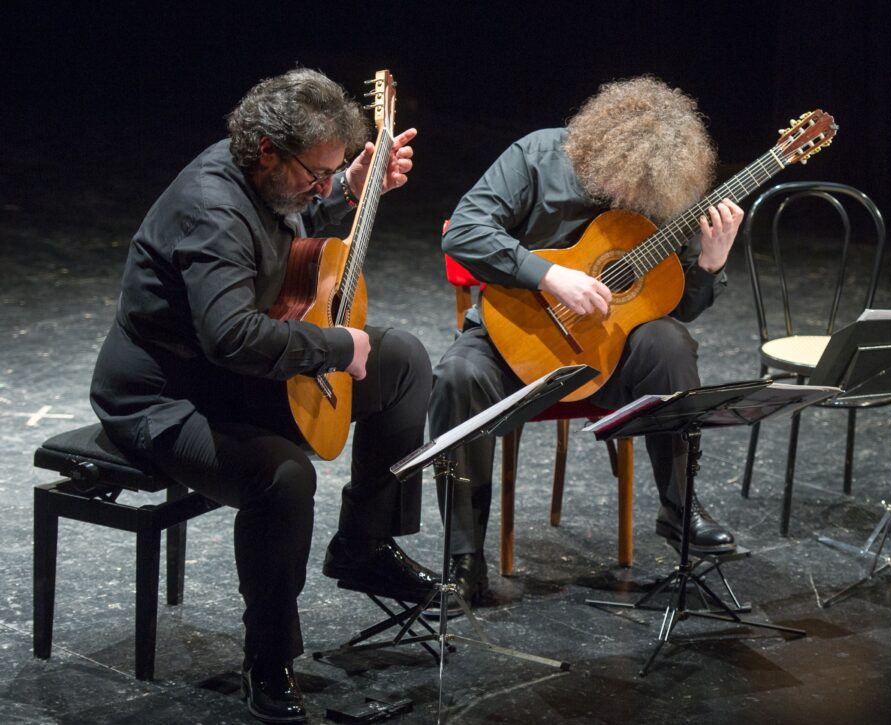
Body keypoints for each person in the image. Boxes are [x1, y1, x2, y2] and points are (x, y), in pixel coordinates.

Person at [90, 68, 435, 724]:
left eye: (333, 173)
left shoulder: (269, 178)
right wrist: (335, 348)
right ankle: (269, 658)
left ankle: (363, 546)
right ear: (269, 150)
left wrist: (349, 189)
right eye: (317, 172)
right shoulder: (212, 207)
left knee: (402, 361)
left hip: (236, 376)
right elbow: (231, 337)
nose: (323, 186)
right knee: (283, 475)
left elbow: (292, 227)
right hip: (165, 396)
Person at [429, 76, 744, 603]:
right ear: (607, 154)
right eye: (632, 184)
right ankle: (463, 558)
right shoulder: (538, 156)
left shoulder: (665, 189)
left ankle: (680, 508)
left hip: (610, 355)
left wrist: (710, 265)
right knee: (456, 378)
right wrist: (548, 276)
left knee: (670, 344)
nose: (638, 199)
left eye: (649, 189)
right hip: (517, 339)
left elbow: (682, 305)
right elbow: (464, 232)